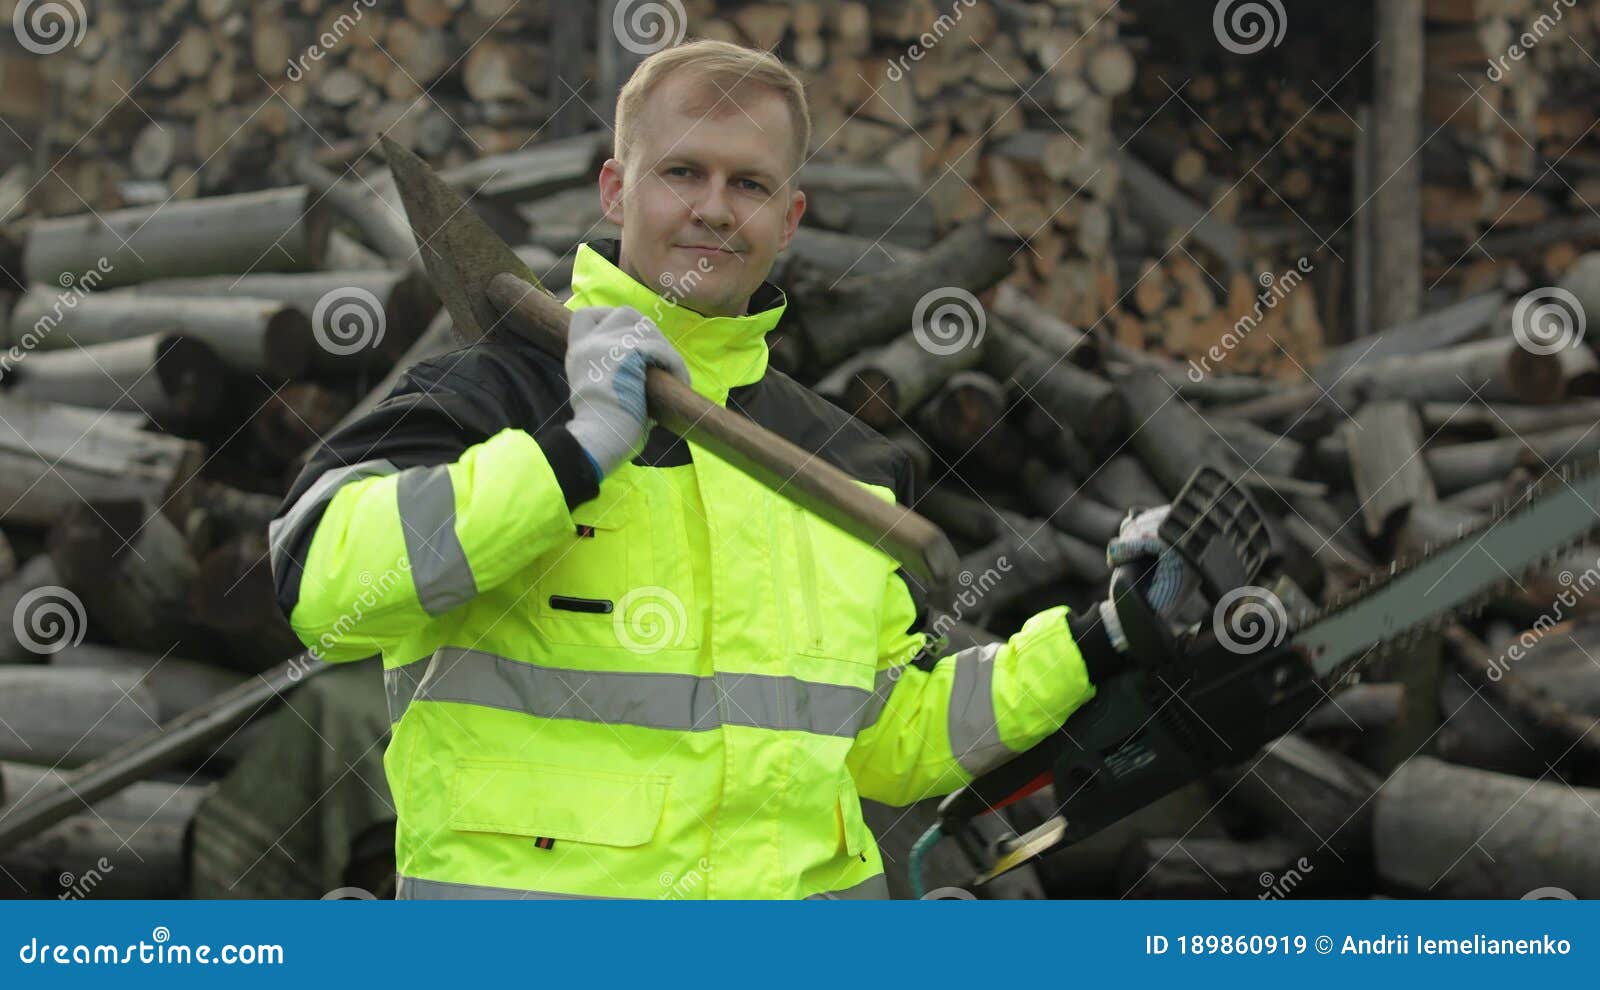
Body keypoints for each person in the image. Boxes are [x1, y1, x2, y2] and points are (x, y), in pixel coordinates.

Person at [267, 38, 1191, 899]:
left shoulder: (842, 461)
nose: (714, 207)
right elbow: (322, 581)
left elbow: (886, 740)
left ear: (789, 218)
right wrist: (571, 455)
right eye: (682, 172)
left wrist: (1101, 635)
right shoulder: (493, 399)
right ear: (616, 190)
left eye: (748, 183)